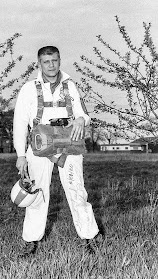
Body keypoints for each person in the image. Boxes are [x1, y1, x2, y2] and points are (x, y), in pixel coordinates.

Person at [13, 46, 100, 257]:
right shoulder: (28, 89)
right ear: (39, 64)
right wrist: (21, 155)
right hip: (39, 145)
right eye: (46, 61)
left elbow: (83, 114)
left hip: (69, 144)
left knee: (77, 190)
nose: (51, 65)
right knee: (37, 194)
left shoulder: (70, 86)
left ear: (60, 60)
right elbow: (20, 122)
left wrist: (81, 119)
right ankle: (32, 242)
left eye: (54, 60)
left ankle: (88, 239)